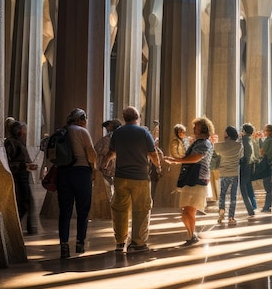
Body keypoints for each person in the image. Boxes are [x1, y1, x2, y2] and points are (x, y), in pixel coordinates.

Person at [103, 106, 161, 252]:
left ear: (124, 118)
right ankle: (138, 242)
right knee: (141, 209)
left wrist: (105, 163)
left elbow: (111, 152)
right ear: (138, 117)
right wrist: (158, 166)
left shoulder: (118, 133)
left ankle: (120, 241)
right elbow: (153, 154)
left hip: (121, 177)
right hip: (140, 177)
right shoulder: (144, 132)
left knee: (120, 209)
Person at [164, 115, 215, 246]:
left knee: (189, 211)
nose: (193, 129)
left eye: (196, 127)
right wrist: (176, 160)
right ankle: (191, 235)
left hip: (197, 178)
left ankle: (192, 235)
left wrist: (176, 161)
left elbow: (195, 158)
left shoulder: (204, 143)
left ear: (203, 129)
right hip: (191, 178)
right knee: (185, 212)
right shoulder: (198, 142)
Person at [57, 108, 97, 258]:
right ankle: (80, 243)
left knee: (65, 211)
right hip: (81, 172)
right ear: (80, 119)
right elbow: (91, 153)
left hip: (63, 173)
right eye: (84, 119)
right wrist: (94, 169)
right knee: (83, 209)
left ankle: (64, 246)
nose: (86, 122)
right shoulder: (82, 132)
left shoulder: (61, 132)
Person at [4, 120, 39, 234]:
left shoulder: (19, 142)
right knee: (23, 202)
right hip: (18, 176)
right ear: (18, 132)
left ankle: (27, 227)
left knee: (28, 201)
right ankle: (13, 226)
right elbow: (8, 161)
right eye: (24, 132)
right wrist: (25, 165)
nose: (25, 134)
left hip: (23, 175)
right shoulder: (11, 143)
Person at [213, 126, 243, 224]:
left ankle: (221, 210)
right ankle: (231, 217)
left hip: (223, 173)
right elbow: (241, 156)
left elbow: (214, 154)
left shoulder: (219, 145)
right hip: (234, 173)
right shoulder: (239, 145)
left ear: (227, 134)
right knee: (233, 196)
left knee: (222, 193)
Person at [95, 118, 122, 201]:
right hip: (116, 167)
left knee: (108, 189)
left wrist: (103, 165)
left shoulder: (107, 140)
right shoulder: (121, 139)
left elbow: (101, 152)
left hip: (108, 167)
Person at [239, 123, 258, 219]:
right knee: (249, 186)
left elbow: (240, 152)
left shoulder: (243, 140)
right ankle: (254, 205)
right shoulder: (251, 140)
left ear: (244, 131)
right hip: (250, 165)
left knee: (243, 187)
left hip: (244, 165)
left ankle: (250, 209)